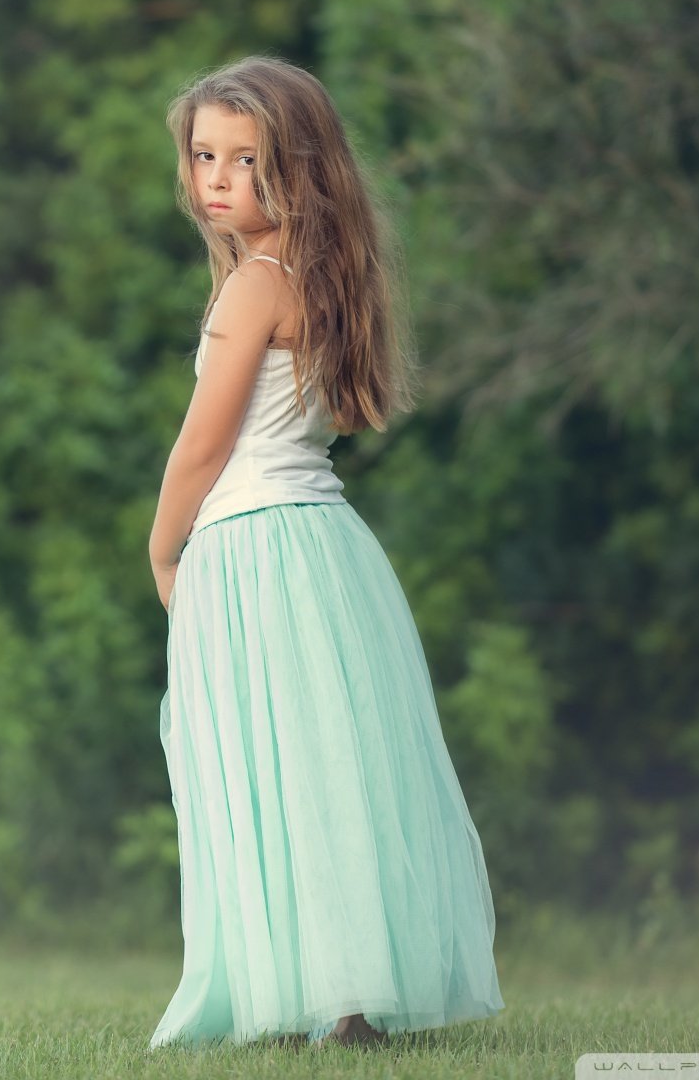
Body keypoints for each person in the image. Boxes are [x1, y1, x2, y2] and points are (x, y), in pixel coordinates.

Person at [145, 56, 507, 1051]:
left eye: (243, 160)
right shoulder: (324, 279)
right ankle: (342, 995)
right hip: (327, 550)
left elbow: (203, 445)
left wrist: (162, 546)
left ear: (296, 170)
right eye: (202, 155)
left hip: (251, 544)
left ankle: (305, 992)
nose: (214, 177)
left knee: (262, 764)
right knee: (325, 766)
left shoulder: (255, 287)